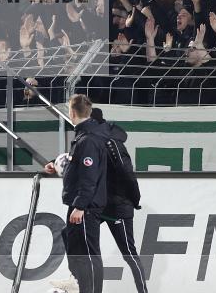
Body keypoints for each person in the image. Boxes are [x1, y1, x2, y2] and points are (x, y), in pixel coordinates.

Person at [44, 94, 108, 293]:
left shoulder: (87, 140)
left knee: (89, 254)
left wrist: (80, 206)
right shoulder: (85, 136)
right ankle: (77, 282)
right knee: (73, 242)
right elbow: (78, 164)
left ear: (72, 113)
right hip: (82, 203)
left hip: (85, 206)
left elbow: (89, 176)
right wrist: (56, 164)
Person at [91, 108, 147, 293]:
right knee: (72, 236)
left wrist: (134, 199)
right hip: (97, 206)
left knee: (129, 253)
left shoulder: (112, 144)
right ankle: (79, 282)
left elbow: (127, 173)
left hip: (117, 206)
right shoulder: (89, 142)